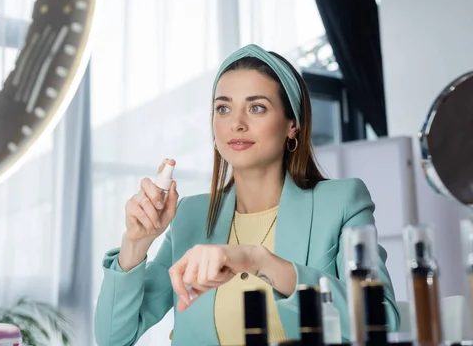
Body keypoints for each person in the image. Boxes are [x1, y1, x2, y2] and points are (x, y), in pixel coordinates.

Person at [94, 44, 400, 346]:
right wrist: (136, 242)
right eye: (223, 108)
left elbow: (381, 318)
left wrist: (260, 261)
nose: (236, 124)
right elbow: (113, 339)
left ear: (292, 124)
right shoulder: (190, 215)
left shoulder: (341, 203)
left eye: (256, 108)